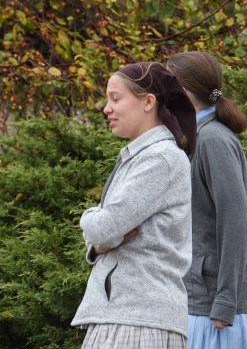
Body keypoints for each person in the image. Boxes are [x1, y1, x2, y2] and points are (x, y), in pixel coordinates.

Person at [72, 62, 197, 348]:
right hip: (128, 317)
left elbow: (104, 228)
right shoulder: (143, 156)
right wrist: (101, 241)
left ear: (148, 102)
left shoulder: (159, 159)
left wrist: (91, 219)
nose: (107, 108)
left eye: (115, 98)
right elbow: (105, 235)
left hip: (140, 322)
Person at [167, 51, 247, 349]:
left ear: (184, 92)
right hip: (204, 303)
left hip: (219, 315)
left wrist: (226, 300)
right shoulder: (197, 137)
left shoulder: (213, 140)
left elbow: (236, 221)